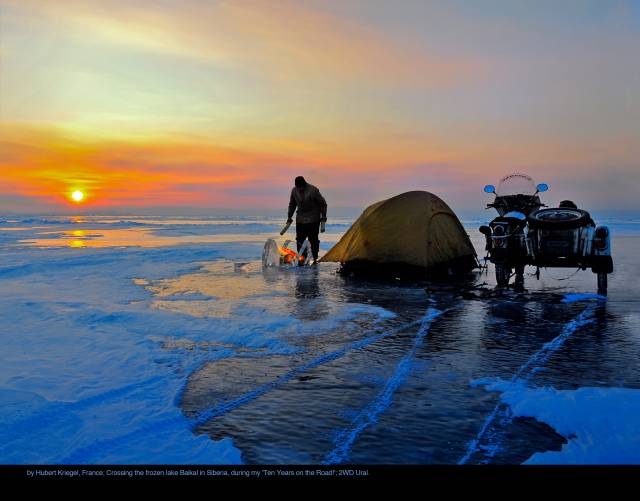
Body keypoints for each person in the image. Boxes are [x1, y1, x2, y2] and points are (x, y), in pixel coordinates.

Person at [286, 176, 327, 265]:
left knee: (313, 240)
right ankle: (302, 259)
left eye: (301, 187)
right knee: (299, 240)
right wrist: (289, 216)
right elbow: (292, 204)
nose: (300, 189)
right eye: (298, 187)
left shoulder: (313, 190)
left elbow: (323, 204)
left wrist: (324, 216)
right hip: (300, 219)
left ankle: (315, 259)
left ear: (304, 185)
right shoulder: (294, 191)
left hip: (313, 219)